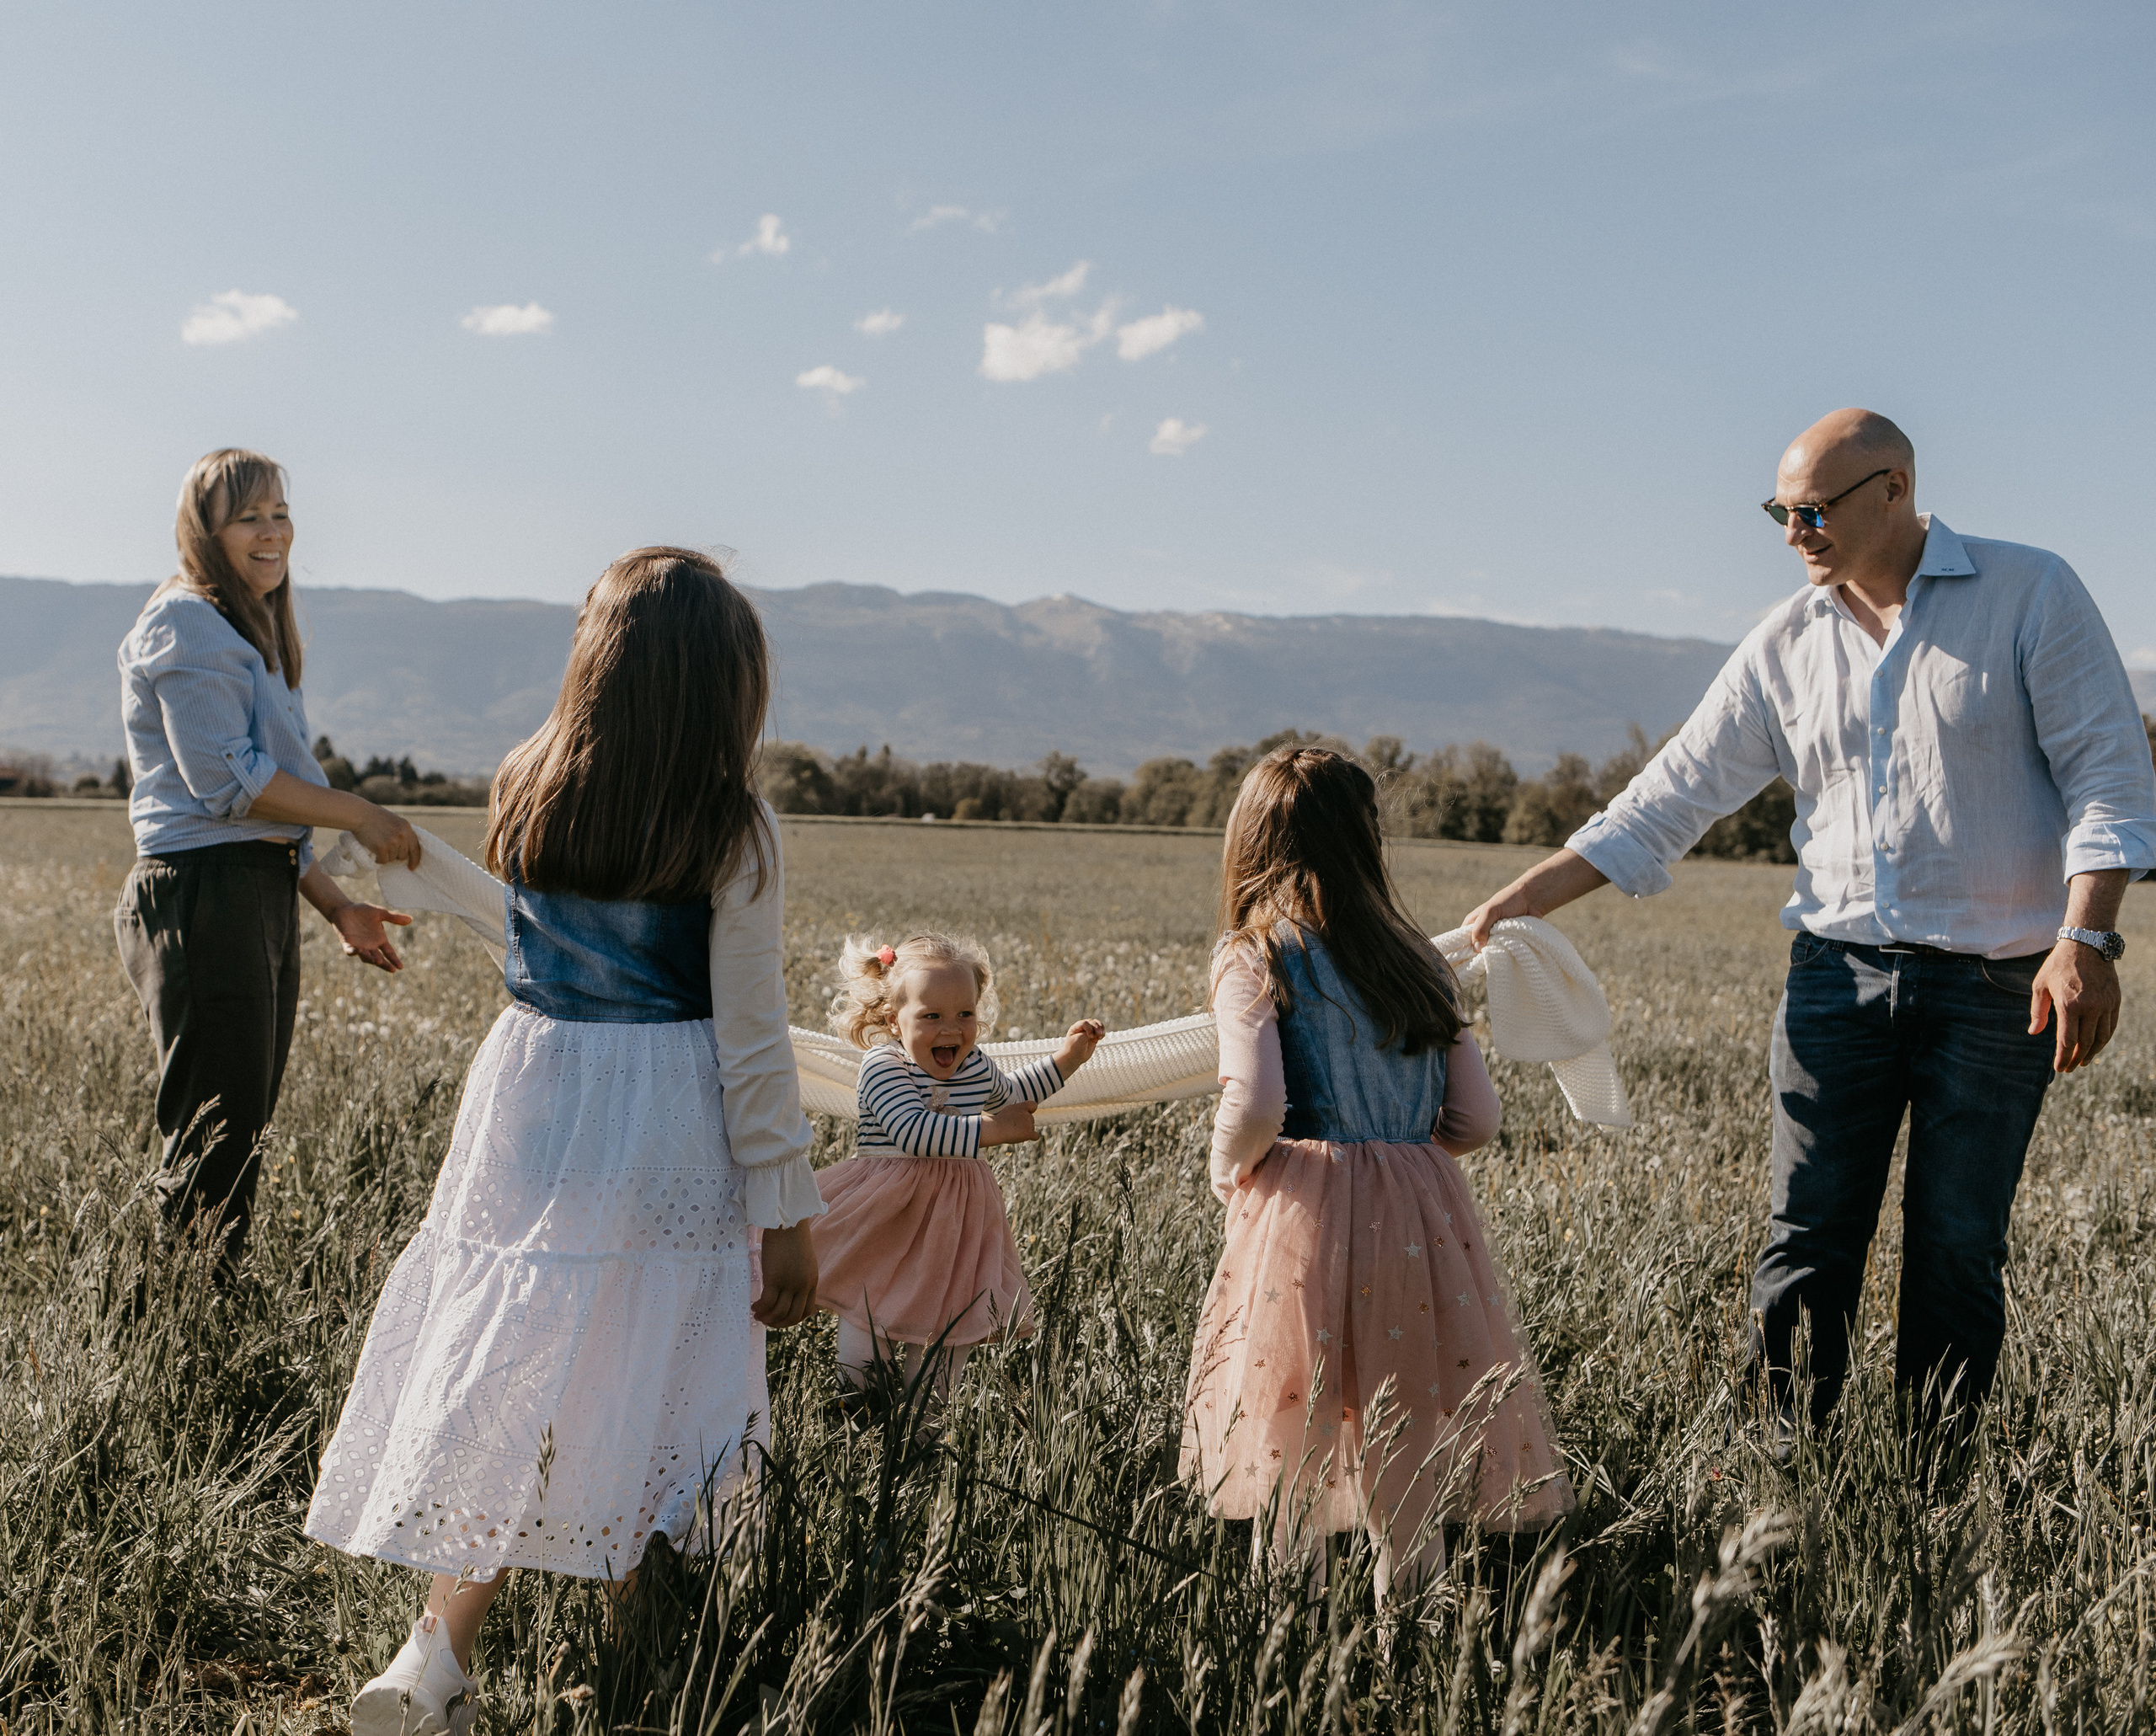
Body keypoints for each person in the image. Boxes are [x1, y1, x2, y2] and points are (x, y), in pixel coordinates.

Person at [1465, 409, 2156, 1445]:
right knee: (1805, 1236)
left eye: (1814, 508)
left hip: (1998, 987)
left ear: (1894, 490)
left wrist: (2086, 938)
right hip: (1833, 981)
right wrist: (1524, 898)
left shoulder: (2031, 593)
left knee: (1957, 1246)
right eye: (1779, 511)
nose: (1795, 530)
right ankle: (1783, 1467)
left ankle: (1932, 1482)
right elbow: (1669, 796)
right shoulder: (1783, 642)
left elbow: (2109, 776)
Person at [303, 548, 825, 1736]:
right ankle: (644, 1642)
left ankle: (435, 1650)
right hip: (667, 1104)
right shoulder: (732, 824)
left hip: (532, 1086)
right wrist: (789, 1214)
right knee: (662, 1355)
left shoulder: (525, 782)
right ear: (721, 685)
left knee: (517, 1348)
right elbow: (752, 1041)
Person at [1181, 746, 1573, 1603]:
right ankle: (1413, 1622)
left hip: (1303, 1208)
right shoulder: (1419, 962)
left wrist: (1227, 1171)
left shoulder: (1253, 954)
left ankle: (1291, 1631)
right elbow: (1475, 1120)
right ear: (1367, 842)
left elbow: (1254, 1103)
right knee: (1406, 1419)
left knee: (1292, 1418)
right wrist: (1401, 1154)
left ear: (1250, 841)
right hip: (1418, 1211)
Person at [115, 448, 419, 1269]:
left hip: (249, 889)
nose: (272, 531)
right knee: (214, 1134)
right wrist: (359, 810)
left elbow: (259, 822)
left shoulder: (243, 628)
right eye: (248, 515)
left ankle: (197, 1311)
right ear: (204, 531)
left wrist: (333, 905)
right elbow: (227, 786)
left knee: (237, 1128)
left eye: (280, 512)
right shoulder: (186, 622)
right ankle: (179, 1328)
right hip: (204, 895)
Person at [813, 932, 1104, 1394]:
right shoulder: (884, 1066)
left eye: (964, 1014)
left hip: (955, 1217)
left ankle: (923, 1432)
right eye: (932, 1016)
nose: (951, 1029)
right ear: (894, 1020)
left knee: (946, 1318)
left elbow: (1014, 1098)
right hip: (888, 1211)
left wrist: (1068, 1061)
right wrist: (993, 1131)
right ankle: (860, 1413)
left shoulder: (974, 1066)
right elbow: (912, 1132)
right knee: (869, 1312)